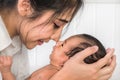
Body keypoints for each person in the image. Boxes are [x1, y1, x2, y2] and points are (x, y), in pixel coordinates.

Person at [0, 0, 116, 80]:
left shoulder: (17, 42)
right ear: (25, 6)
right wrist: (64, 77)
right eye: (56, 24)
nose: (57, 39)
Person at [0, 34, 113, 80]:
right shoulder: (51, 70)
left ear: (69, 62)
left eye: (63, 45)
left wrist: (6, 72)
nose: (58, 42)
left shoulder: (49, 74)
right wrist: (7, 72)